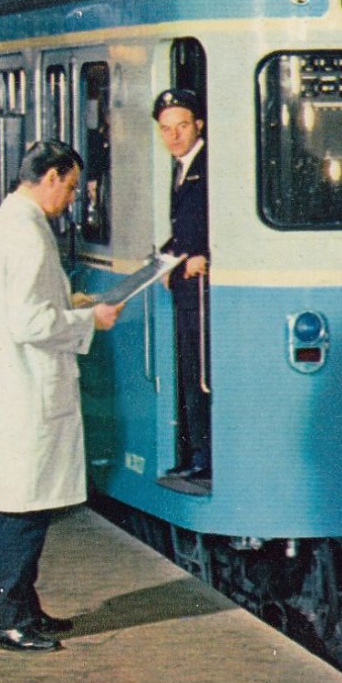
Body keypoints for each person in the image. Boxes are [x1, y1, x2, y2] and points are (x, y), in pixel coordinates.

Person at [0, 140, 123, 653]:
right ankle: (5, 620)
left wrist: (65, 303)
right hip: (23, 389)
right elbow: (29, 322)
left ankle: (23, 608)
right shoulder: (26, 234)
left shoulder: (7, 225)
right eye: (70, 186)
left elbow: (20, 305)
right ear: (49, 177)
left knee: (26, 506)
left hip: (15, 385)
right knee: (22, 509)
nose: (71, 197)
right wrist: (86, 318)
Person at [154, 88, 211, 483]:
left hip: (204, 297)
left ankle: (203, 456)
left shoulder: (208, 168)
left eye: (182, 126)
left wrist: (195, 257)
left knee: (200, 376)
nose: (173, 136)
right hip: (190, 295)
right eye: (166, 129)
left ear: (199, 126)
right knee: (191, 374)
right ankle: (197, 453)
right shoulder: (182, 165)